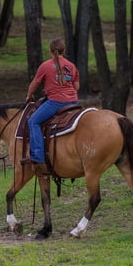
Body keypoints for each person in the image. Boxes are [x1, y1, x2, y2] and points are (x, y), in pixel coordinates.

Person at [22, 39, 80, 174]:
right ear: (64, 51)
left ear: (50, 51)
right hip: (73, 102)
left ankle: (37, 156)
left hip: (55, 102)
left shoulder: (45, 66)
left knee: (33, 121)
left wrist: (28, 96)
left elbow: (35, 83)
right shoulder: (71, 66)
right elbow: (76, 87)